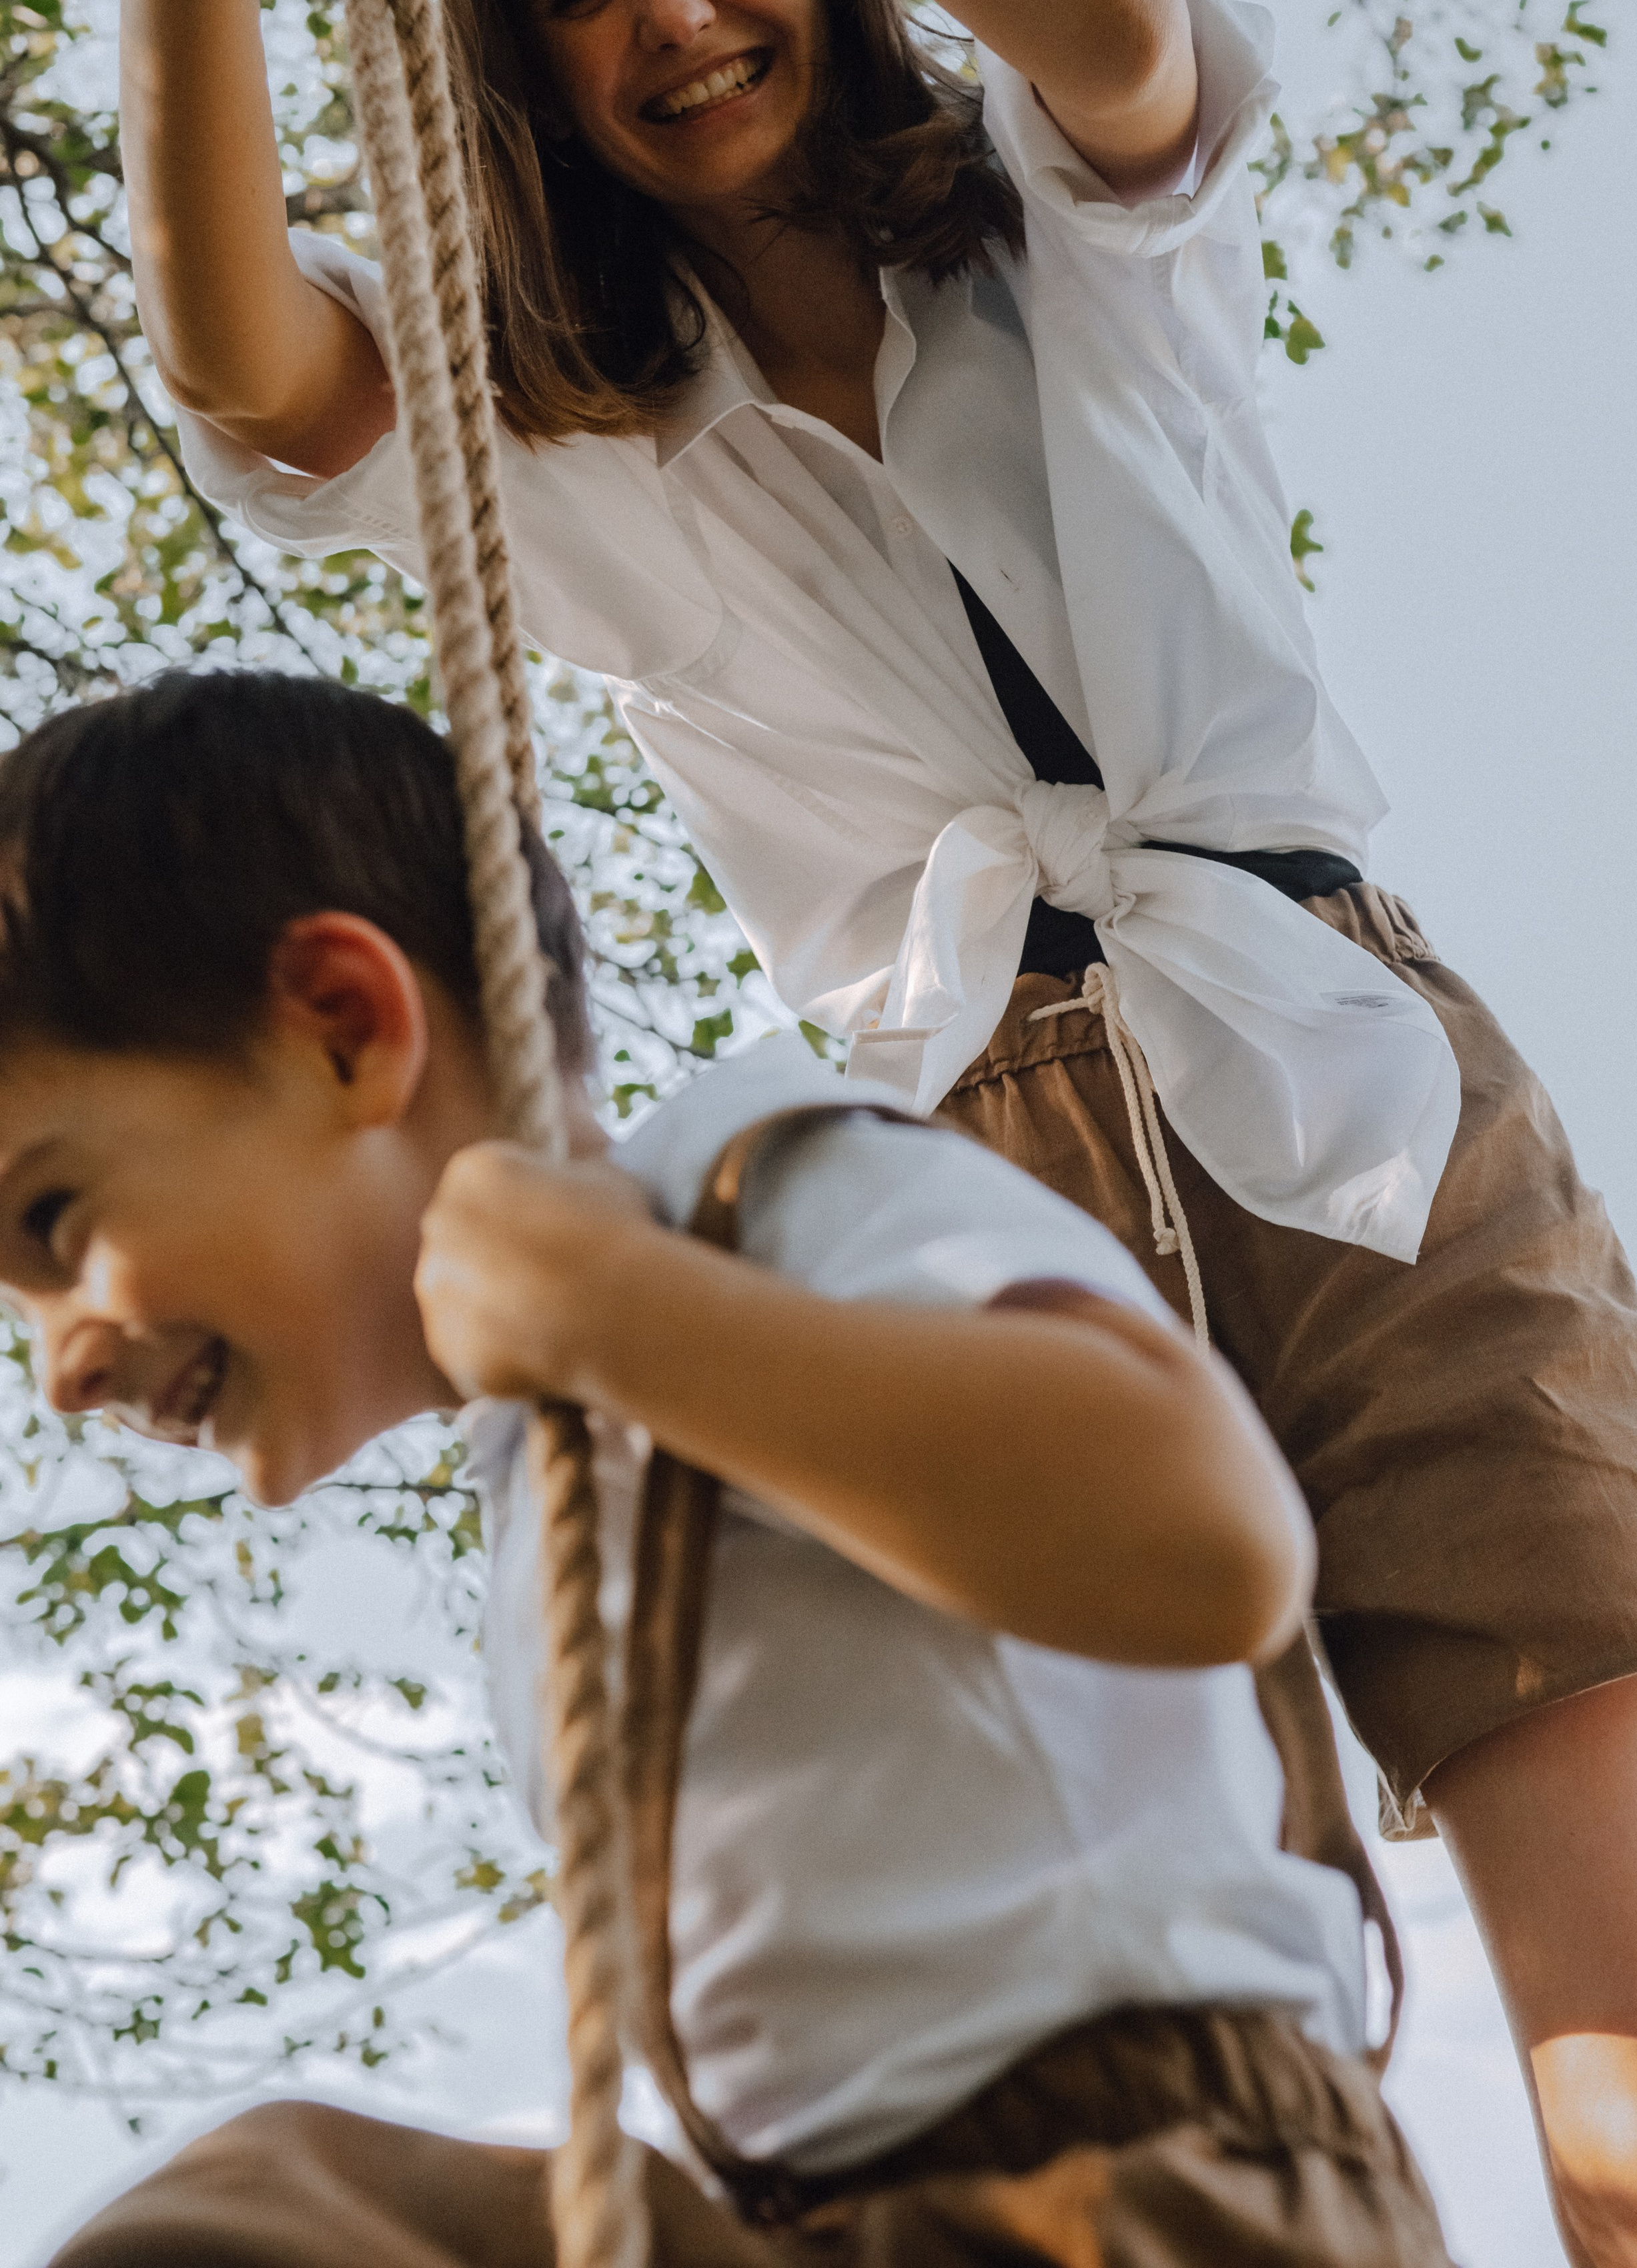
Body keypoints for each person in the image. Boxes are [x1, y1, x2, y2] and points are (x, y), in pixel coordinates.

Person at [117, 0, 1637, 2254]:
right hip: (980, 1221)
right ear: (517, 53)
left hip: (1348, 1103)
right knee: (1199, 2063)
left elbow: (1108, 19)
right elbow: (244, 368)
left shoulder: (1082, 210)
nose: (670, 16)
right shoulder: (560, 427)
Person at [5, 668, 1454, 2267]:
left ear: (346, 1030)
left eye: (57, 1226)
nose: (59, 1366)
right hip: (833, 2217)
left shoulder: (750, 1193)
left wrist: (625, 1316)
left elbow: (1207, 1538)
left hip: (1133, 2190)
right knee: (269, 2213)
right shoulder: (543, 1469)